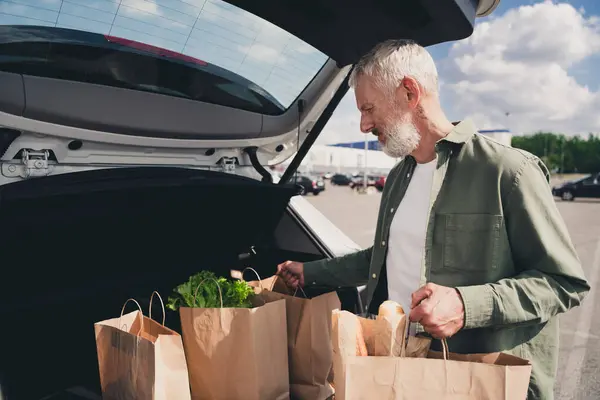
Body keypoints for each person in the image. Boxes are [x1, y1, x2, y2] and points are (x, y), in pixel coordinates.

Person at [276, 39, 590, 400]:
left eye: (368, 109)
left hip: (477, 381)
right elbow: (382, 258)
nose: (363, 125)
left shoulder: (510, 171)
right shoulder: (398, 177)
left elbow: (563, 281)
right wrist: (310, 272)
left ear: (409, 93)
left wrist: (464, 304)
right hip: (399, 372)